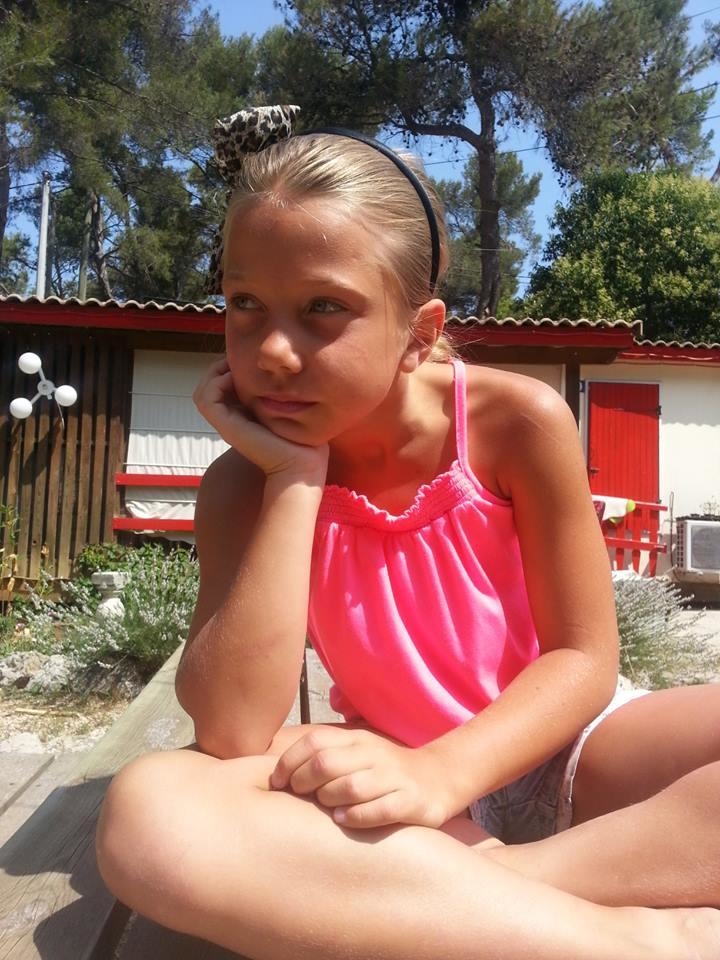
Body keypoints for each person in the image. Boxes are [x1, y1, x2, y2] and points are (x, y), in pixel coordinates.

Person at [96, 105, 720, 959]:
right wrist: (293, 481)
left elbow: (583, 658)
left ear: (419, 333)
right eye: (244, 303)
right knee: (148, 814)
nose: (272, 350)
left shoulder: (514, 422)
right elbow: (234, 732)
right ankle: (637, 938)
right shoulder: (244, 485)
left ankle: (471, 898)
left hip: (574, 749)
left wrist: (446, 772)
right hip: (384, 776)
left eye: (323, 307)